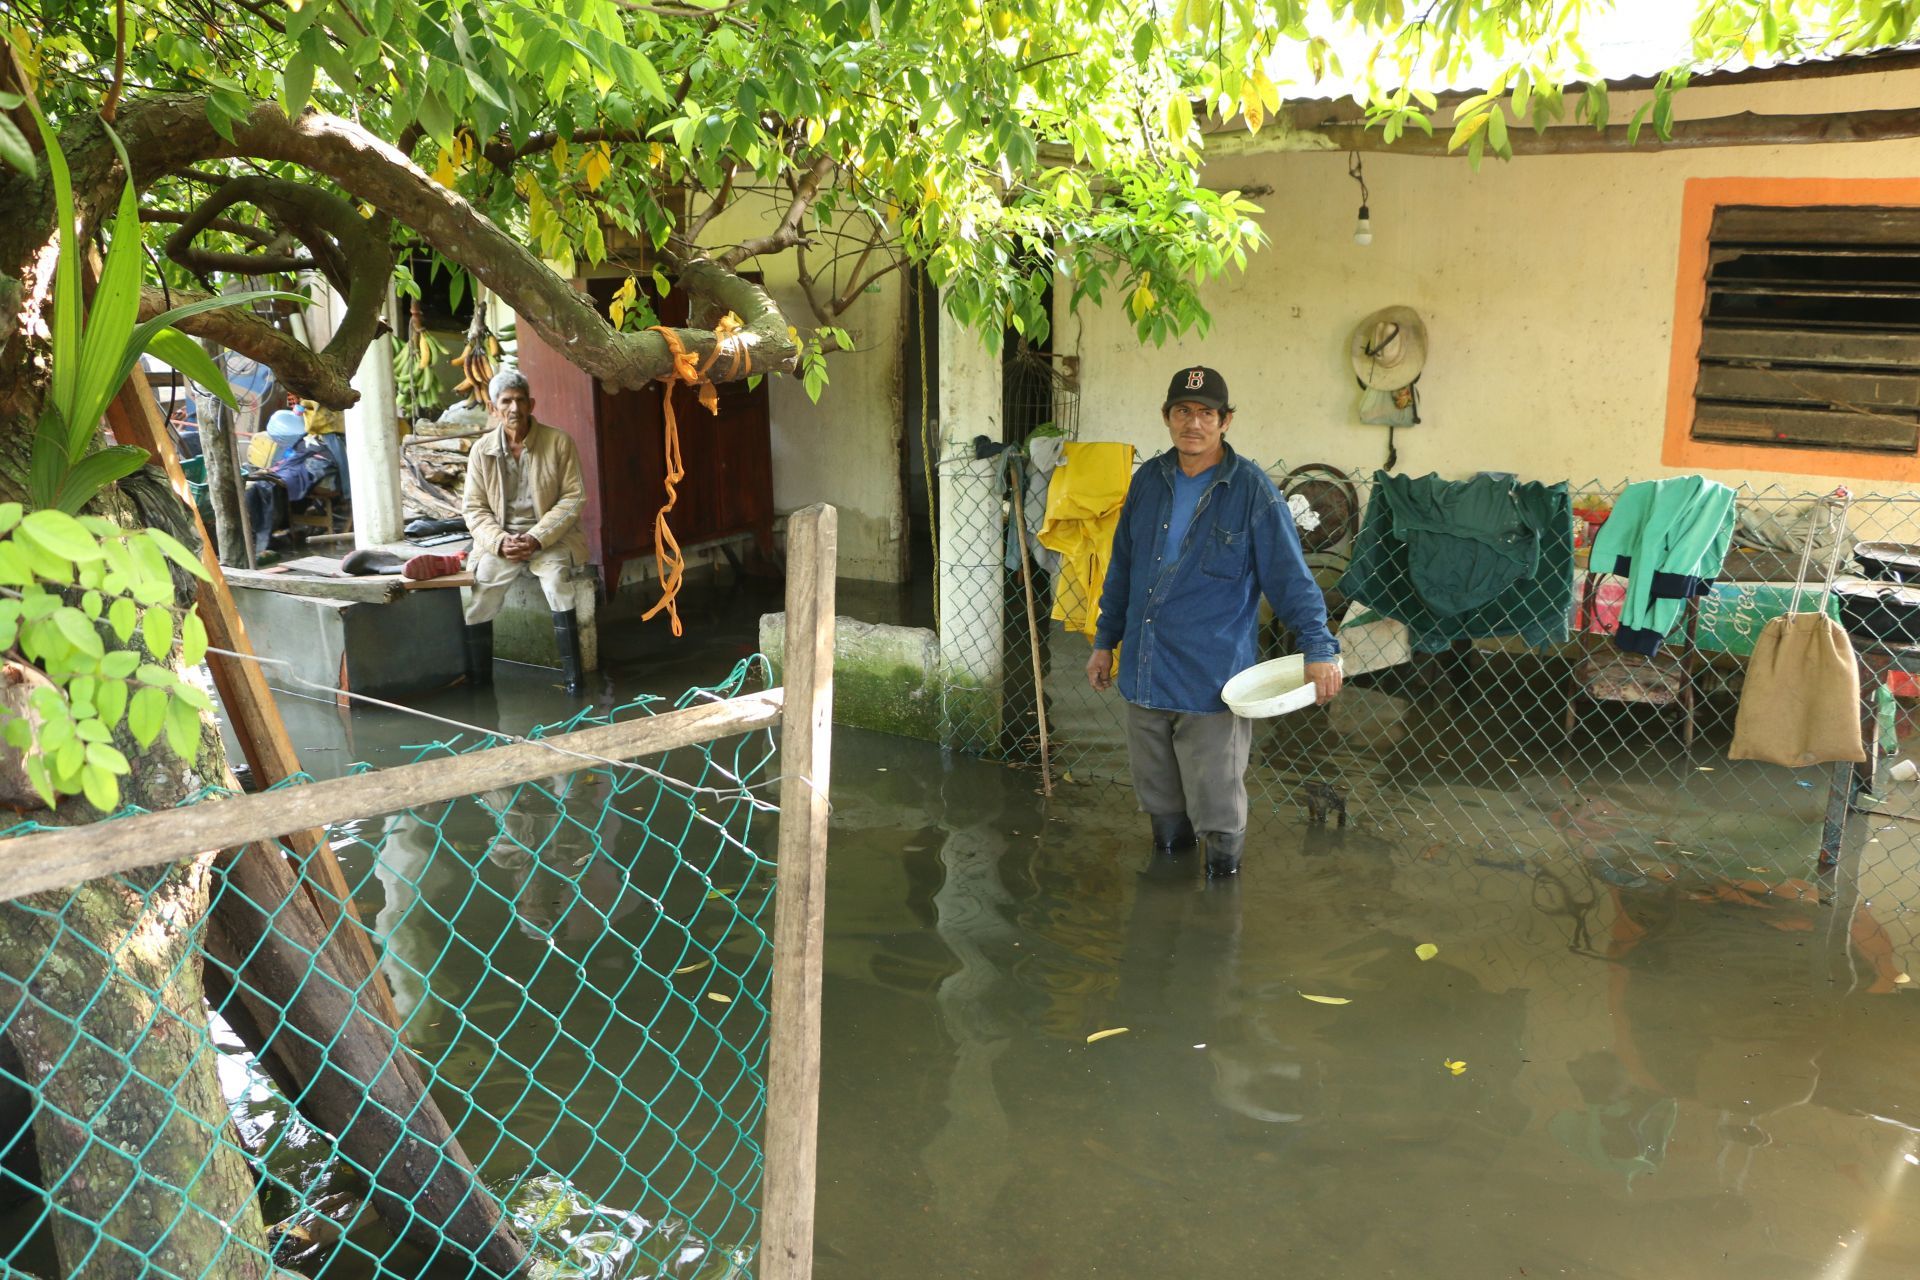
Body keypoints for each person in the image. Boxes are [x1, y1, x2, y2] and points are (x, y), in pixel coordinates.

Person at [1086, 365, 1342, 878]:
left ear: (1226, 421)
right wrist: (1104, 641)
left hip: (1212, 683)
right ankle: (1169, 905)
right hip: (1144, 671)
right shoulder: (1147, 482)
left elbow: (1291, 580)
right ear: (1167, 416)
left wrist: (1320, 650)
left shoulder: (1252, 491)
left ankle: (1218, 915)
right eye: (1183, 411)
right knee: (1160, 804)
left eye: (1207, 413)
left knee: (1219, 811)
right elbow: (1122, 569)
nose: (1194, 423)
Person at [461, 368, 590, 696]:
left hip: (550, 539)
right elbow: (474, 509)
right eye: (506, 402)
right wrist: (499, 541)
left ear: (532, 404)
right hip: (501, 542)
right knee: (480, 590)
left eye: (520, 400)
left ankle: (575, 682)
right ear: (493, 408)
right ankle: (480, 685)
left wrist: (536, 537)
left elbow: (573, 498)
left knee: (558, 580)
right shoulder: (481, 451)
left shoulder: (558, 442)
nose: (514, 408)